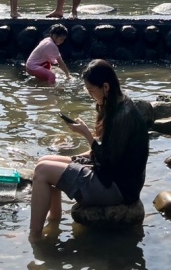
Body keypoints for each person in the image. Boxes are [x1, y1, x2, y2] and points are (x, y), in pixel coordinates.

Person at [29, 60, 148, 241]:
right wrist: (76, 157)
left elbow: (108, 161)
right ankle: (53, 222)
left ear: (105, 87)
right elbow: (107, 152)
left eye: (91, 91)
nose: (90, 95)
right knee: (43, 161)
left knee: (43, 172)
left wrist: (87, 135)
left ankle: (34, 236)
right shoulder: (115, 106)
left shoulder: (123, 116)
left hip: (117, 187)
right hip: (110, 175)